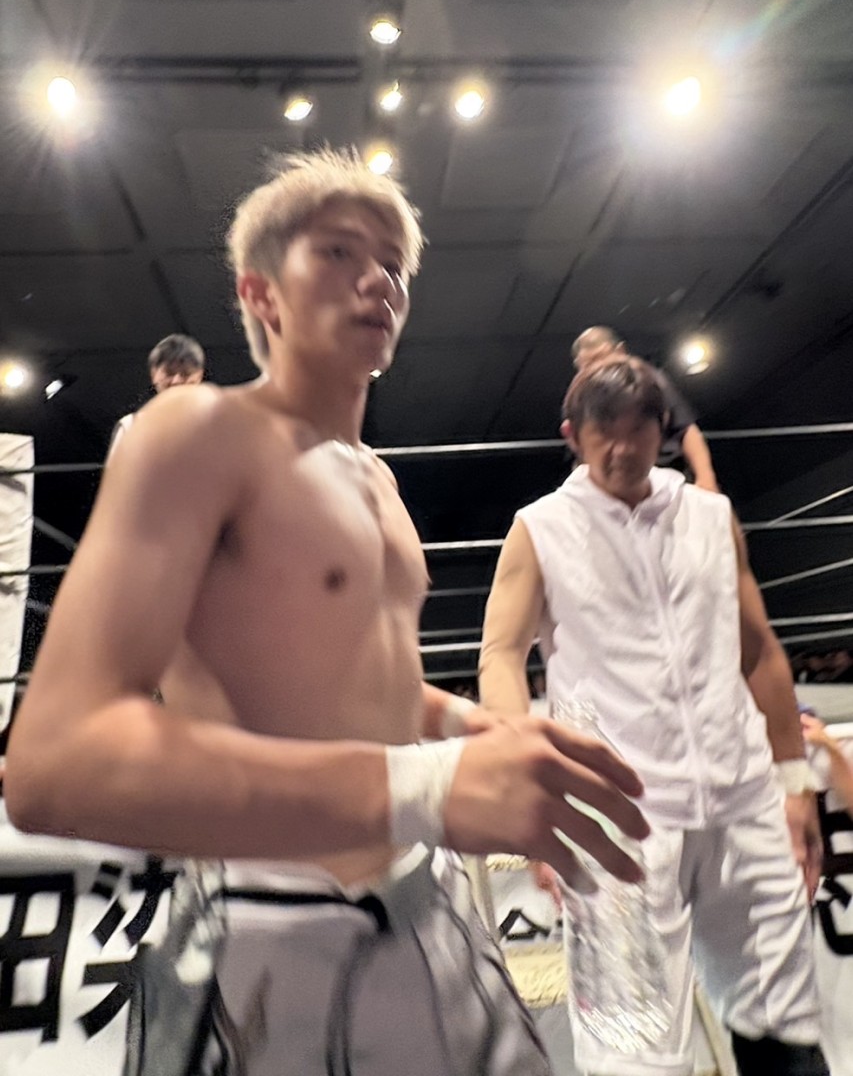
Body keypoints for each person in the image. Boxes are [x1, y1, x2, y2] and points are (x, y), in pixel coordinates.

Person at [4, 150, 649, 1076]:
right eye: (340, 252)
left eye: (392, 263)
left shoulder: (375, 478)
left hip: (423, 893)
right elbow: (51, 766)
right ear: (260, 293)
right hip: (270, 913)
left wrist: (471, 726)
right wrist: (425, 787)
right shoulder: (195, 430)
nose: (377, 278)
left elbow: (349, 683)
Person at [478, 354, 828, 1076]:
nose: (621, 449)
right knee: (633, 1052)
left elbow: (759, 651)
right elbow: (500, 658)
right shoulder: (540, 529)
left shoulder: (710, 517)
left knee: (783, 1024)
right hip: (618, 821)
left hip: (741, 800)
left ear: (662, 429)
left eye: (638, 431)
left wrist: (795, 783)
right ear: (572, 435)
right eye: (603, 432)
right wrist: (533, 798)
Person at [572, 325, 719, 491]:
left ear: (620, 351)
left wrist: (706, 478)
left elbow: (686, 429)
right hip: (616, 484)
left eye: (601, 358)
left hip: (668, 477)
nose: (597, 368)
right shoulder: (582, 399)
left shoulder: (648, 382)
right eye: (588, 364)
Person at [107, 333, 206, 460]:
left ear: (199, 375)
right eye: (169, 373)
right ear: (154, 374)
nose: (176, 381)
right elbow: (117, 473)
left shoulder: (220, 425)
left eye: (185, 373)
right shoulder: (130, 426)